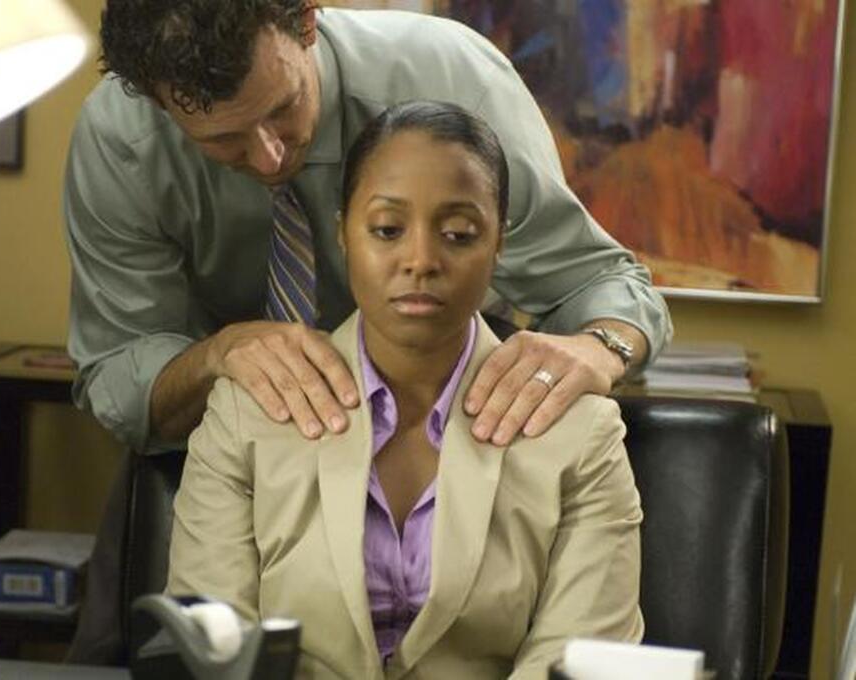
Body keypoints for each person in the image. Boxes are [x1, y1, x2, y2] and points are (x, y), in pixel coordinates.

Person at [63, 0, 668, 663]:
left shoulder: (451, 76)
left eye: (282, 109)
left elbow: (593, 279)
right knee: (127, 656)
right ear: (157, 103)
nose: (268, 156)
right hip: (234, 428)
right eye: (224, 141)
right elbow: (119, 372)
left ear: (306, 23)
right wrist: (216, 357)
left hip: (472, 419)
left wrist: (600, 347)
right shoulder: (122, 141)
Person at [169, 100, 644, 679]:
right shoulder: (248, 411)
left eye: (458, 234)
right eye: (388, 230)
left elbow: (578, 659)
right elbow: (213, 647)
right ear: (343, 233)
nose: (421, 260)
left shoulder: (581, 431)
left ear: (499, 243)